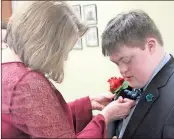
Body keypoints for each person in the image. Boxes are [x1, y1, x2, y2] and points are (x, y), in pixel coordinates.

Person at [2, 1, 136, 138]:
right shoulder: (27, 83)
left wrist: (88, 104)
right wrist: (105, 117)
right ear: (46, 45)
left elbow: (42, 120)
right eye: (64, 50)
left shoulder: (7, 68)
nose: (64, 58)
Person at [102, 9, 174, 139]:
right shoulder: (131, 84)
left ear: (150, 46)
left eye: (126, 60)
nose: (122, 70)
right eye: (116, 63)